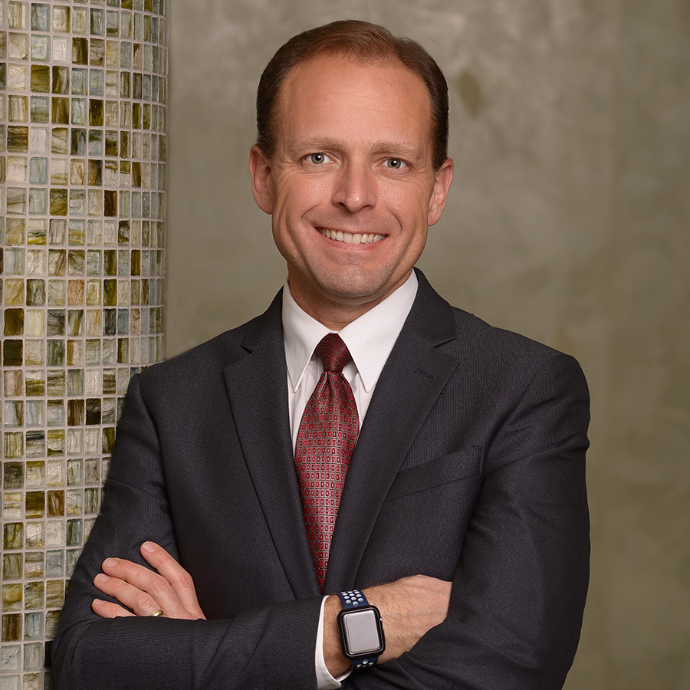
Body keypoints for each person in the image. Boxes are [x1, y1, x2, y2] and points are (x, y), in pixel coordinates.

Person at [52, 20, 590, 689]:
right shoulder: (174, 404)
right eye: (318, 157)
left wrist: (205, 657)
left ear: (437, 189)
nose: (355, 196)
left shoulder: (524, 390)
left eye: (393, 162)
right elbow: (89, 662)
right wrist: (352, 626)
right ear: (263, 177)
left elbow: (509, 667)